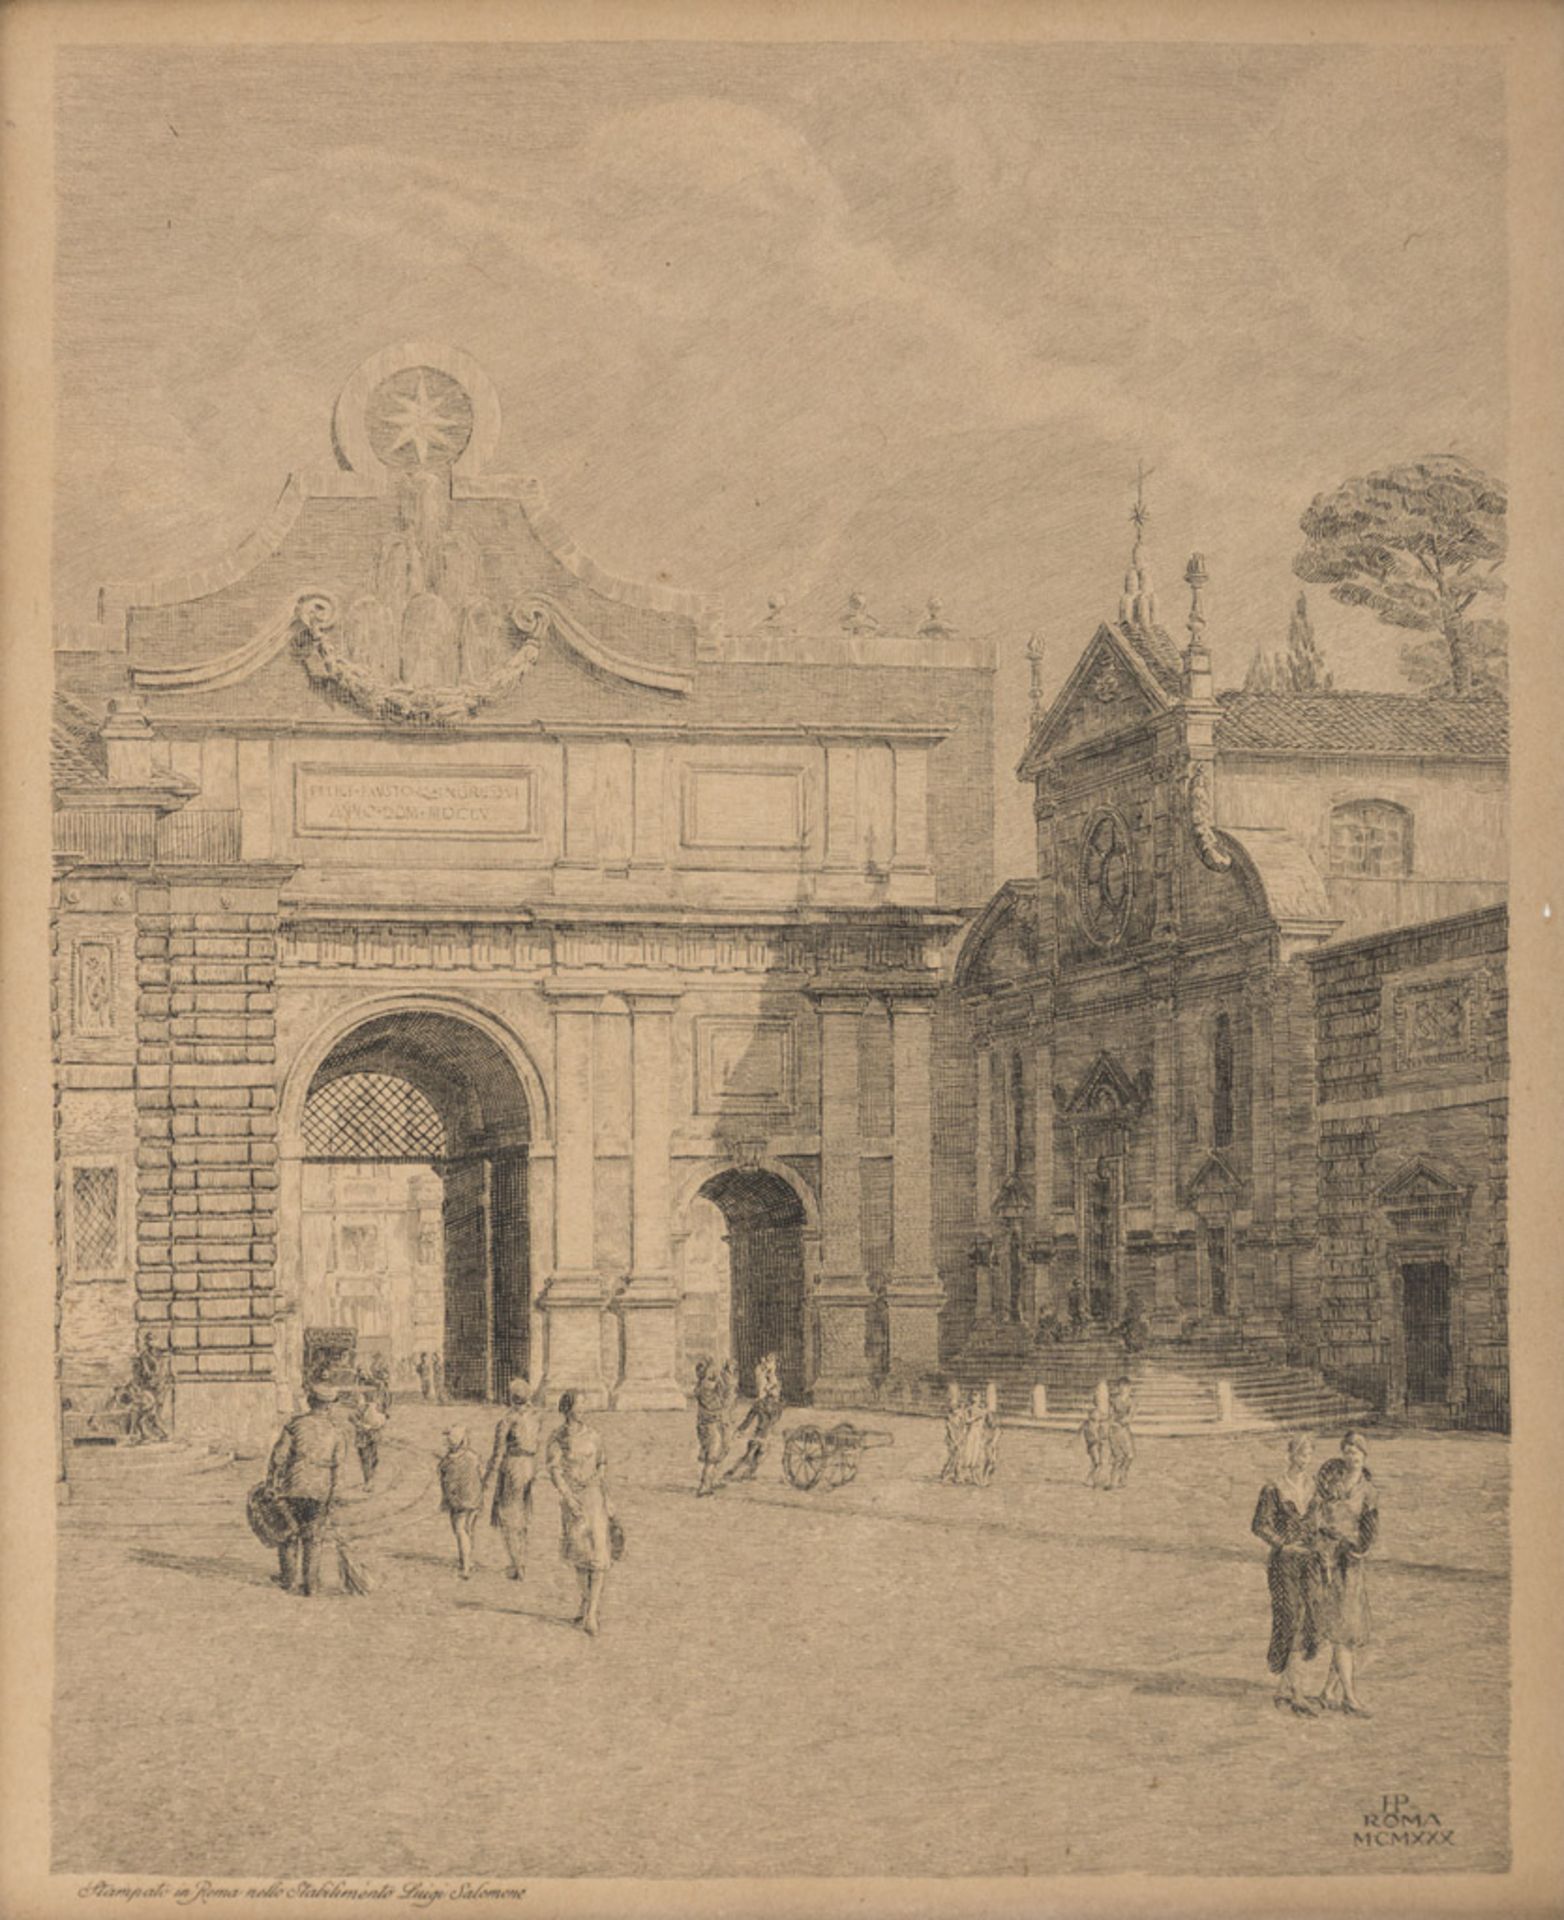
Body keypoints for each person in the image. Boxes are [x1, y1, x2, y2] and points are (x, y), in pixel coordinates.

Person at [1305, 1430, 1379, 1716]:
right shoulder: (1329, 1482)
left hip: (1351, 1564)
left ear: (1364, 1455)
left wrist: (1360, 1550)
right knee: (1340, 1631)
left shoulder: (1369, 1491)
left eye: (1356, 1452)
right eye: (1347, 1451)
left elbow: (1371, 1529)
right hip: (1328, 1562)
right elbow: (1316, 1516)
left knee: (1346, 1630)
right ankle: (1349, 1697)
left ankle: (1328, 1691)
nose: (1351, 1457)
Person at [1251, 1435, 1321, 1715]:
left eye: (1309, 1454)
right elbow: (1259, 1525)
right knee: (1290, 1618)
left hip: (1311, 1562)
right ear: (1290, 1454)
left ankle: (1284, 1687)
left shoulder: (1315, 1486)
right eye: (1300, 1453)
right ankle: (1298, 1692)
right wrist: (1283, 1543)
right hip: (1284, 1564)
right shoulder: (1274, 1487)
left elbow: (1320, 1520)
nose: (1305, 1459)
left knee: (1308, 1619)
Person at [266, 1382, 349, 1596]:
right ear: (329, 1406)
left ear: (310, 1402)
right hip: (321, 1489)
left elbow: (278, 1457)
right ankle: (312, 1584)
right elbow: (339, 1466)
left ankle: (289, 1580)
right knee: (314, 1537)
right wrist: (334, 1494)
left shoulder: (295, 1425)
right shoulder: (336, 1431)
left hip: (293, 1485)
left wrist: (271, 1482)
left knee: (288, 1533)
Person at [546, 1390, 614, 1635]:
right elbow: (554, 1471)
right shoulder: (558, 1438)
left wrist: (599, 1481)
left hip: (595, 1498)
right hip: (573, 1501)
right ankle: (585, 1601)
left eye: (585, 1404)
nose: (584, 1408)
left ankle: (592, 1613)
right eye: (580, 1404)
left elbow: (602, 1462)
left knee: (598, 1555)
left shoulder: (594, 1435)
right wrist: (569, 1497)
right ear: (568, 1408)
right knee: (579, 1555)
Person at [484, 1378, 541, 1580]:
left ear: (511, 1397)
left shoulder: (508, 1420)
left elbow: (498, 1453)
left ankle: (517, 1565)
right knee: (523, 1514)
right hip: (530, 1467)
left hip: (513, 1467)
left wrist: (487, 1479)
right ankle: (522, 1560)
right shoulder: (536, 1416)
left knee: (507, 1515)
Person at [725, 1352, 783, 1484]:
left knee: (760, 1456)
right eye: (774, 1393)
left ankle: (747, 1473)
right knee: (749, 1456)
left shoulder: (776, 1406)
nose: (776, 1395)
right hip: (759, 1435)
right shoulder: (761, 1404)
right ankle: (732, 1471)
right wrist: (740, 1430)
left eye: (776, 1393)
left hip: (766, 1435)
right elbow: (749, 1419)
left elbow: (774, 1419)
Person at [438, 1425, 484, 1579]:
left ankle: (465, 1567)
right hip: (475, 1499)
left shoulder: (446, 1462)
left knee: (460, 1531)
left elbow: (444, 1480)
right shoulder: (473, 1456)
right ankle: (468, 1560)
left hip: (458, 1502)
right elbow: (481, 1474)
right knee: (469, 1529)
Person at [694, 1358, 731, 1497]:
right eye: (713, 1369)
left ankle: (712, 1480)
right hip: (709, 1424)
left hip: (716, 1422)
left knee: (723, 1449)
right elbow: (715, 1404)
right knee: (713, 1453)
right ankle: (704, 1486)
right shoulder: (705, 1387)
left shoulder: (711, 1385)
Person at [1106, 1376, 1136, 1490]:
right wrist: (1113, 1422)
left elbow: (1130, 1416)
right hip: (1114, 1431)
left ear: (1129, 1388)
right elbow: (1111, 1415)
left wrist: (1122, 1421)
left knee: (1130, 1456)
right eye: (1121, 1386)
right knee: (1118, 1457)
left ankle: (1123, 1475)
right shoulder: (1114, 1400)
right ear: (1118, 1388)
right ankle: (1113, 1482)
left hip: (1124, 1431)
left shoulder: (1131, 1401)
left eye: (1126, 1386)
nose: (1123, 1389)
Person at [957, 1389, 991, 1485]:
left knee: (977, 1455)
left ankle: (975, 1477)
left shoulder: (982, 1410)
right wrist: (976, 1418)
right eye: (973, 1396)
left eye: (977, 1396)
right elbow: (966, 1421)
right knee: (969, 1453)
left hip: (979, 1434)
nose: (975, 1398)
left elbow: (987, 1423)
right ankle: (962, 1475)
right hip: (971, 1433)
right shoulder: (968, 1409)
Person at [353, 1396, 387, 1490]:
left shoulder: (371, 1408)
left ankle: (369, 1481)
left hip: (368, 1437)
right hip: (367, 1437)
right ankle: (369, 1480)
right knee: (369, 1458)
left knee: (369, 1459)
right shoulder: (365, 1409)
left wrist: (366, 1426)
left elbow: (380, 1422)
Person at [939, 1383, 966, 1484]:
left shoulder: (961, 1412)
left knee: (959, 1456)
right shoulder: (949, 1415)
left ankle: (958, 1475)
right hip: (952, 1437)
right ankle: (946, 1473)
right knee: (953, 1455)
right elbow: (949, 1427)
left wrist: (962, 1435)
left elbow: (963, 1424)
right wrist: (954, 1439)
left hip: (960, 1435)